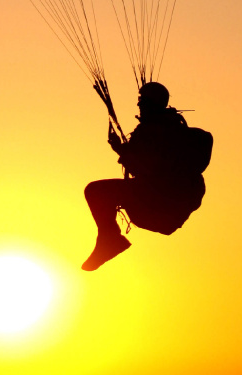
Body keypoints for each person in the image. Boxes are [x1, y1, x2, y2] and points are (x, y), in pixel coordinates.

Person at [82, 81, 210, 271]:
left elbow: (154, 170)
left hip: (158, 205)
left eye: (142, 101)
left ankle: (110, 240)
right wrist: (125, 152)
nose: (139, 105)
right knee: (99, 192)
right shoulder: (168, 128)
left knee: (96, 191)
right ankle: (109, 239)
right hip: (163, 211)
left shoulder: (157, 132)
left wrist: (122, 151)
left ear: (152, 104)